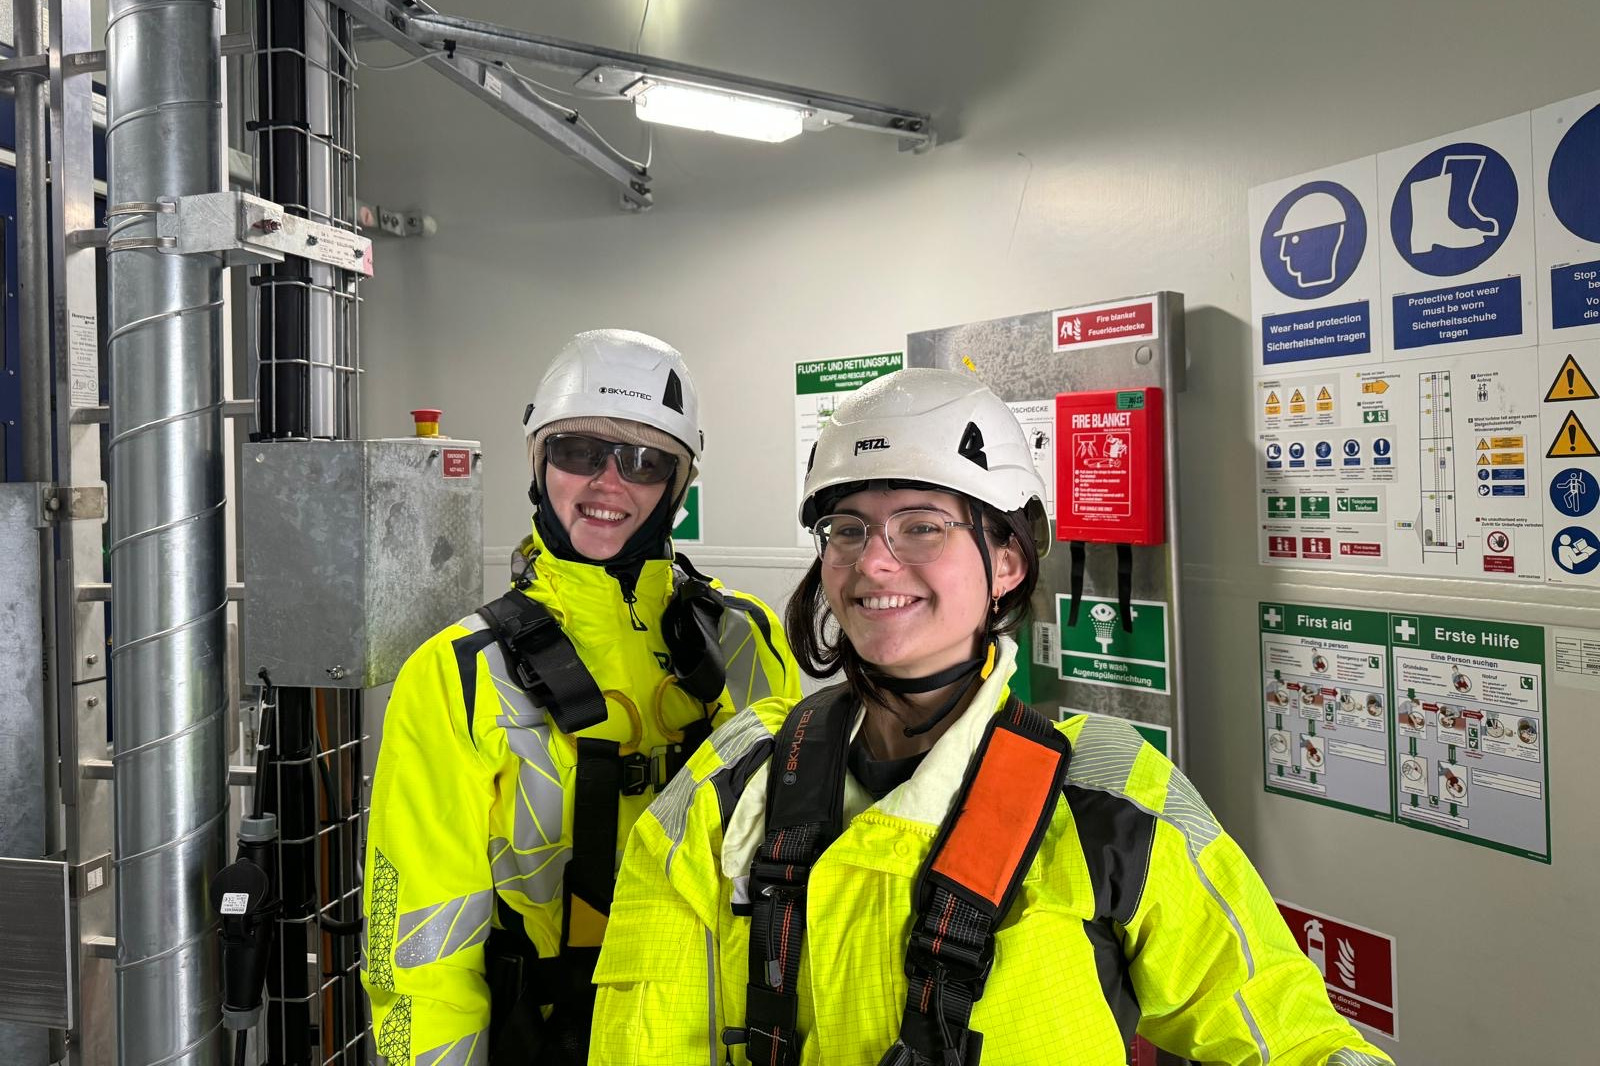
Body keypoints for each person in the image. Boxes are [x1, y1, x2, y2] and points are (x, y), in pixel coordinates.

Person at [591, 368, 1393, 1065]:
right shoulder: (734, 783)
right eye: (847, 529)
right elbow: (645, 1034)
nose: (873, 560)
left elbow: (1284, 1029)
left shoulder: (1107, 792)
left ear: (1007, 561)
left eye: (922, 526)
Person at [361, 329, 801, 1066]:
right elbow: (415, 949)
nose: (608, 483)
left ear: (677, 483)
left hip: (725, 1033)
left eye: (643, 460)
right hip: (553, 1034)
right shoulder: (461, 675)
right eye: (578, 453)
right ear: (540, 464)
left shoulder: (744, 640)